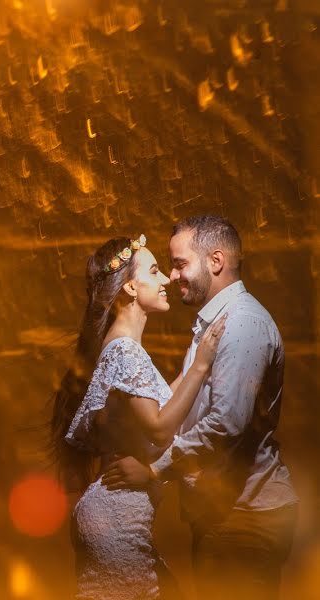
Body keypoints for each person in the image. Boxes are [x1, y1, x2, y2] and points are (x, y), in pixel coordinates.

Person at [102, 216, 299, 600]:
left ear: (216, 260)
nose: (173, 277)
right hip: (224, 517)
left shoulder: (241, 324)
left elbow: (226, 425)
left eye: (179, 264)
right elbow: (177, 407)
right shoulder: (213, 325)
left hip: (245, 517)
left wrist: (154, 472)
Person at [51, 233, 226, 599]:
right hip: (117, 518)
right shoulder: (125, 352)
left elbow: (160, 405)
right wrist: (201, 367)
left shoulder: (122, 348)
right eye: (155, 271)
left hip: (111, 514)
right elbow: (161, 428)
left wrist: (196, 356)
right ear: (131, 287)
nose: (166, 280)